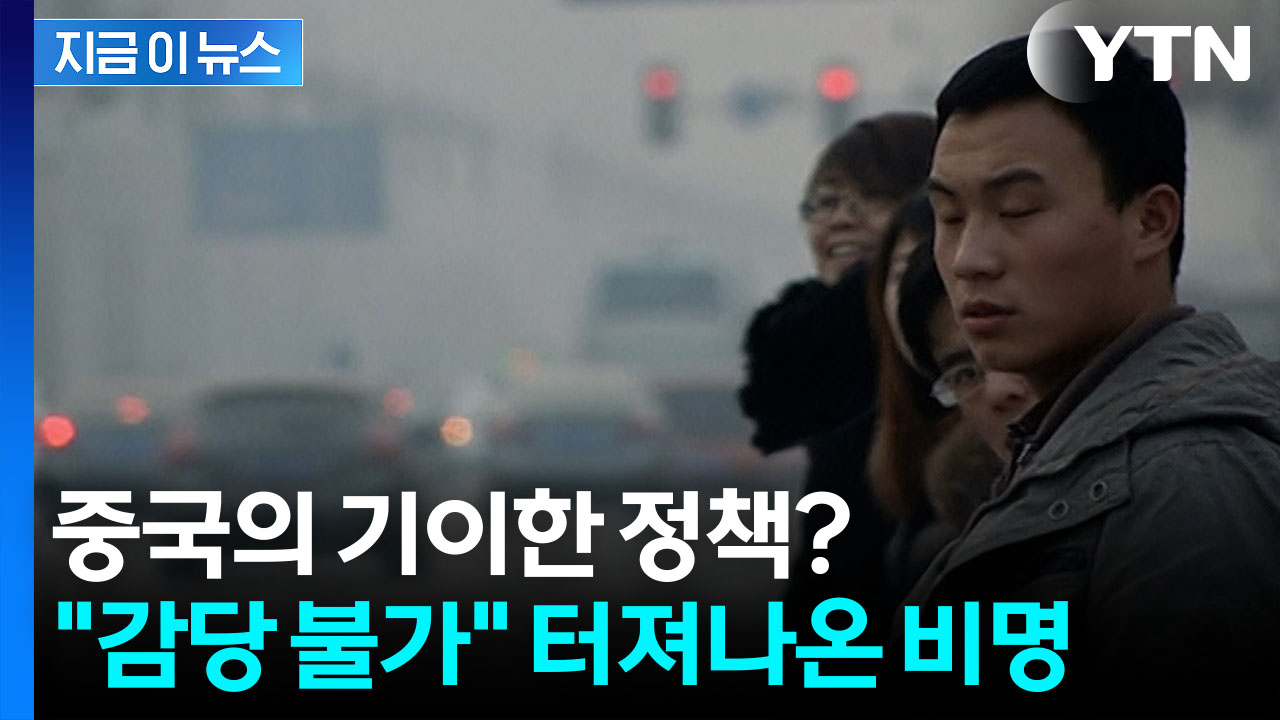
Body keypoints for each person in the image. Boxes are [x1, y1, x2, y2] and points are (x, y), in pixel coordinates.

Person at [899, 32, 1280, 714]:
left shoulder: (1188, 481)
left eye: (1018, 211)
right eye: (949, 216)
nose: (968, 258)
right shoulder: (1068, 451)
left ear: (1150, 221)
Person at [737, 112, 934, 633]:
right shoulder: (818, 365)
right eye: (824, 203)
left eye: (872, 198)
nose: (841, 220)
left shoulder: (949, 355)